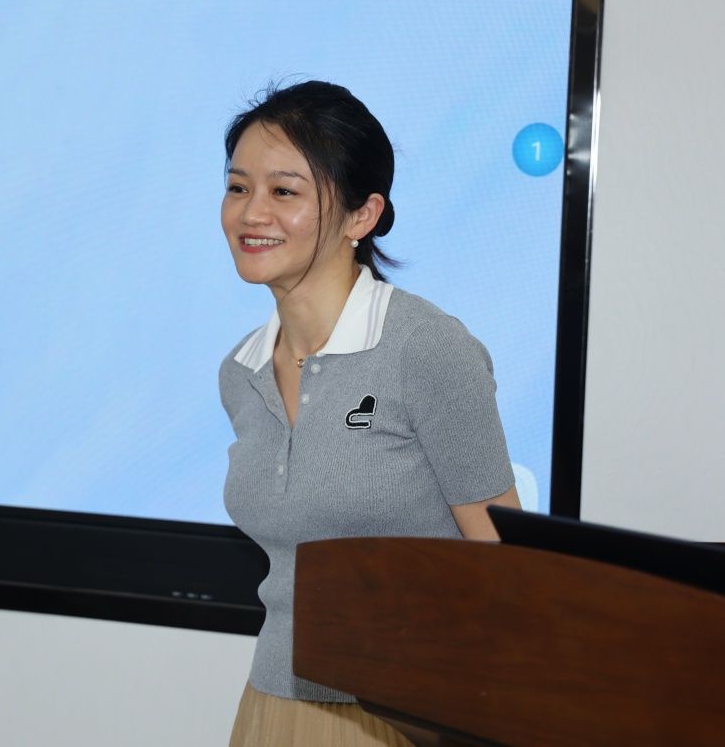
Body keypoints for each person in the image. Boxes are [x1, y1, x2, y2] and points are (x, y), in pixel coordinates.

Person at [219, 80, 521, 747]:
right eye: (238, 187)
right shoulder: (240, 372)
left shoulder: (425, 348)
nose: (251, 212)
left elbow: (507, 565)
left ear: (363, 215)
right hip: (273, 703)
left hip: (405, 715)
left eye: (285, 191)